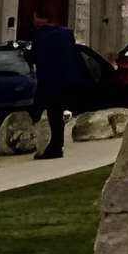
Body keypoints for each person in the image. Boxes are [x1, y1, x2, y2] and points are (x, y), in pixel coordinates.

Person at [28, 19, 84, 161]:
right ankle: (57, 145)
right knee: (57, 114)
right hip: (66, 80)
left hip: (50, 80)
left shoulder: (40, 36)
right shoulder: (66, 34)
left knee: (51, 113)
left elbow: (35, 57)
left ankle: (55, 147)